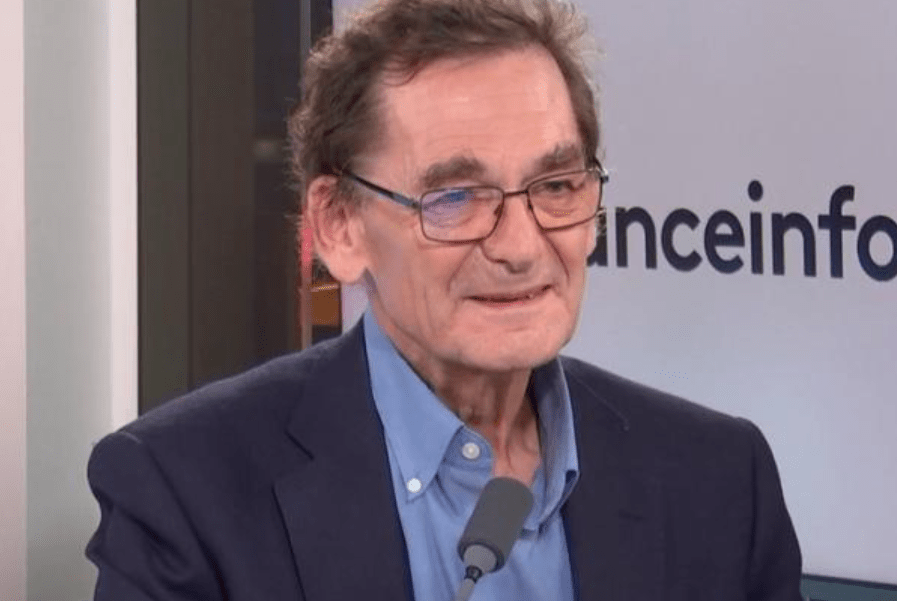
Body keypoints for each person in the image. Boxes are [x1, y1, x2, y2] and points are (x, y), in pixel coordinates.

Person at [86, 0, 803, 599]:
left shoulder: (717, 479)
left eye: (556, 187)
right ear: (339, 227)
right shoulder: (185, 495)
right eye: (456, 197)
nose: (521, 246)